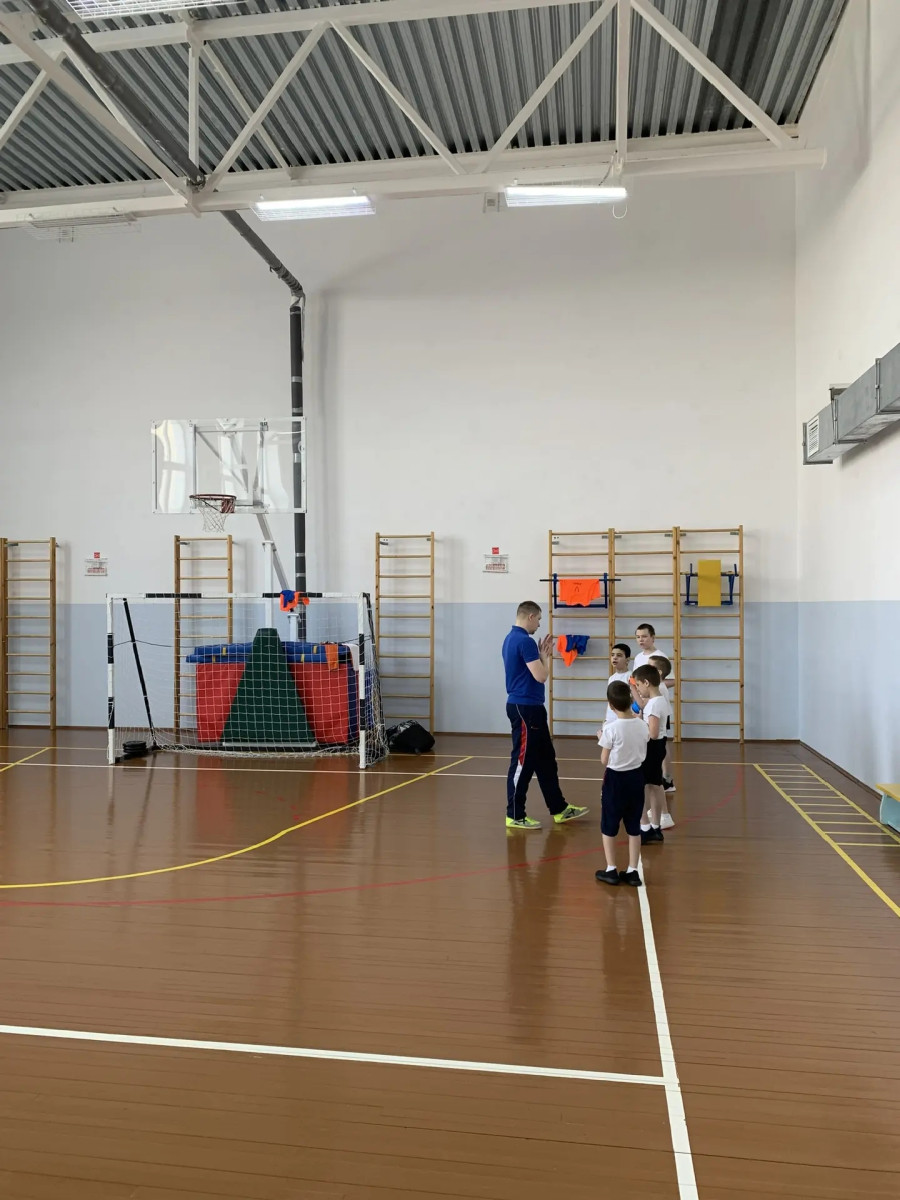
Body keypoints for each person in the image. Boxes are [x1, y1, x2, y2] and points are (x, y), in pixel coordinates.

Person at [502, 601, 589, 830]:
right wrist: (545, 657)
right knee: (522, 763)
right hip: (525, 709)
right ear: (530, 616)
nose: (539, 624)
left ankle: (559, 808)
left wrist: (541, 656)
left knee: (546, 761)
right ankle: (514, 815)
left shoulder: (510, 638)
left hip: (532, 708)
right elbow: (541, 676)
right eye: (539, 619)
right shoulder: (525, 641)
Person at [595, 681, 649, 887]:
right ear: (630, 700)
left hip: (615, 779)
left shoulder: (610, 729)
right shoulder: (642, 725)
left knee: (609, 823)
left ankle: (611, 868)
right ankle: (633, 870)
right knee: (633, 824)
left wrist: (601, 738)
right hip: (636, 777)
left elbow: (604, 760)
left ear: (611, 705)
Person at [632, 664, 668, 844]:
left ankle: (645, 828)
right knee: (655, 785)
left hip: (651, 747)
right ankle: (655, 827)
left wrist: (637, 724)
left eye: (638, 685)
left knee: (638, 786)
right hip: (659, 746)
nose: (638, 689)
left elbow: (652, 733)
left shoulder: (653, 704)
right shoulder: (660, 700)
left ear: (646, 683)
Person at [650, 654, 676, 818]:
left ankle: (663, 814)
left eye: (649, 666)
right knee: (652, 781)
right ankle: (658, 812)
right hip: (656, 736)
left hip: (656, 738)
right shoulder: (658, 687)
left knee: (654, 781)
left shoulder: (658, 689)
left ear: (658, 672)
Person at [603, 643, 632, 728]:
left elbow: (633, 699)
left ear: (627, 660)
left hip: (624, 719)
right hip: (610, 718)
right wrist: (606, 718)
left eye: (619, 655)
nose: (615, 658)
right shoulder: (611, 678)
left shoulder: (631, 676)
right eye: (612, 655)